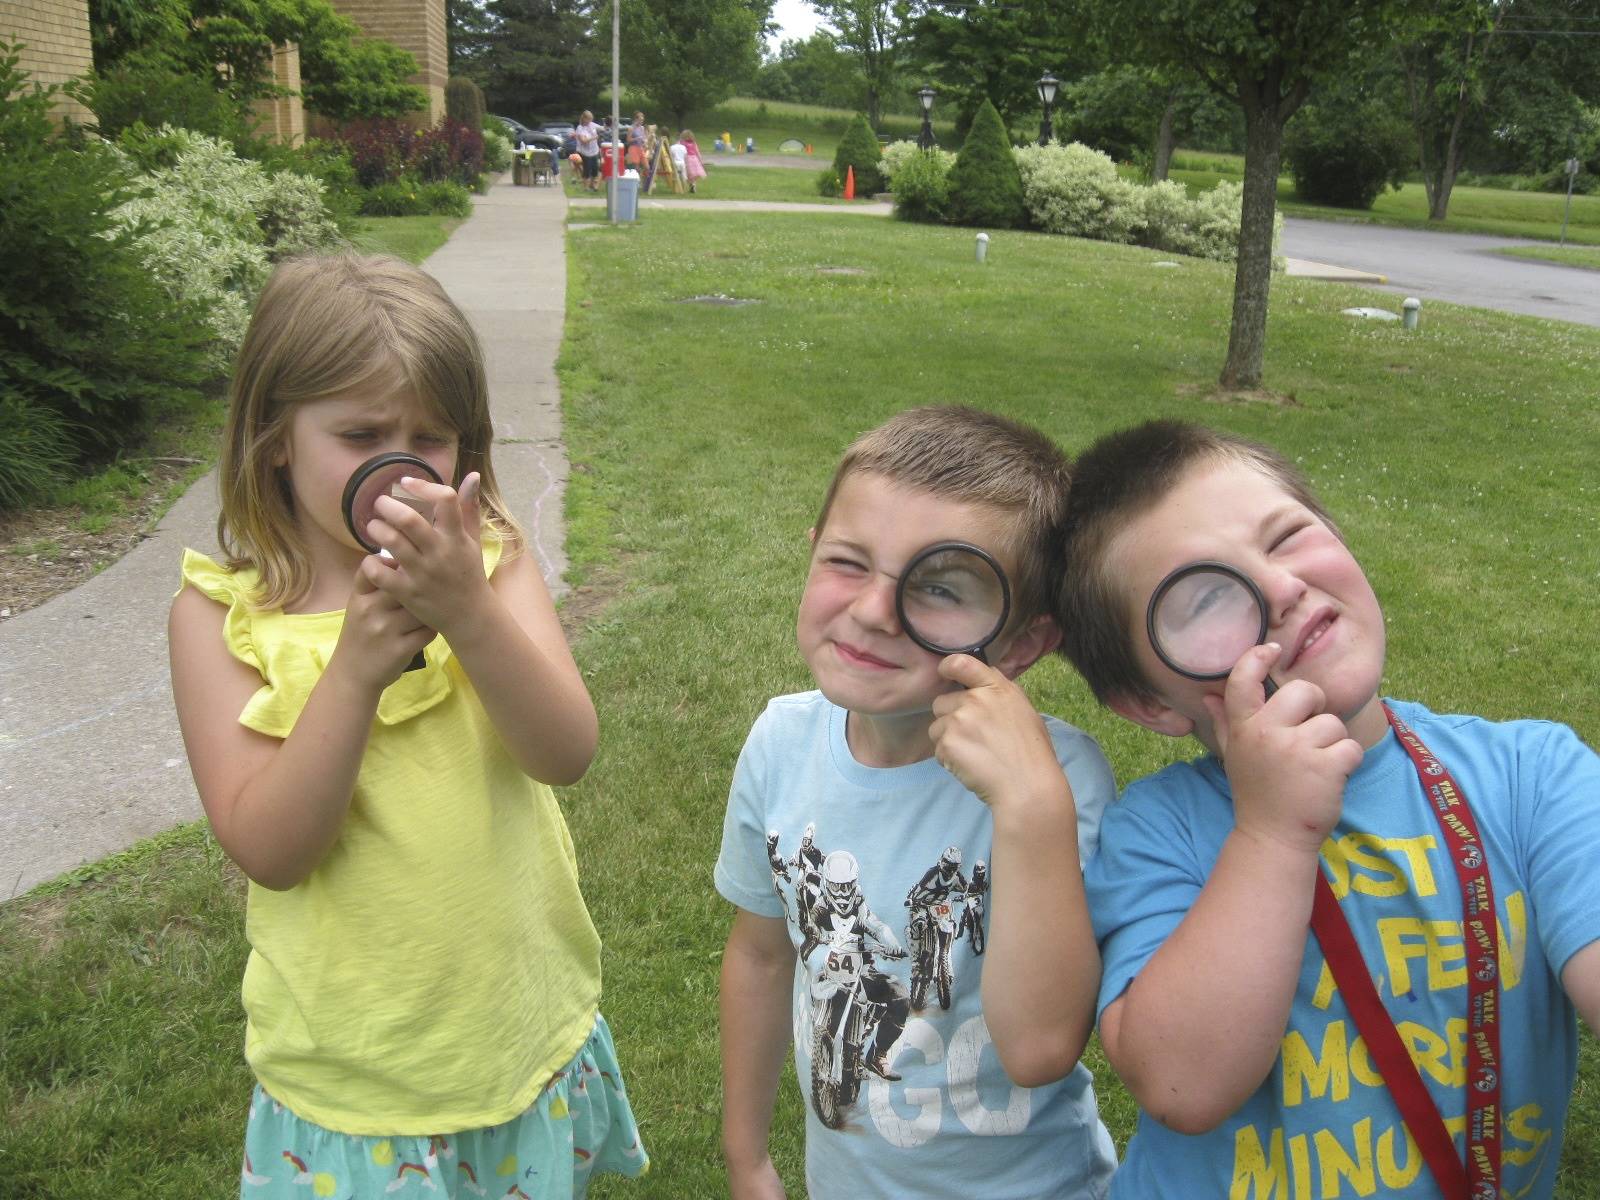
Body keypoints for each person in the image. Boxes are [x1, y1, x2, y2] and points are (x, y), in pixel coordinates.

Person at [169, 254, 649, 1198]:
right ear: (275, 438)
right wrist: (351, 670)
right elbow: (272, 848)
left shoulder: (491, 564)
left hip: (512, 1027)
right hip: (355, 1075)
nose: (399, 463)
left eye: (430, 438)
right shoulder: (221, 617)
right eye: (360, 434)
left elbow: (566, 751)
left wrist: (468, 613)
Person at [1057, 419, 1600, 1199]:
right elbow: (1183, 1086)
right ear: (1149, 701)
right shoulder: (1157, 830)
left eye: (1287, 538)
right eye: (1208, 596)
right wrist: (1273, 833)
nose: (1281, 590)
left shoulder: (1531, 778)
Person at [716, 405, 1118, 1200]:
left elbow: (1041, 1045)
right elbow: (762, 956)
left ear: (1022, 644)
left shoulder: (1054, 780)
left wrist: (1031, 809)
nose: (873, 611)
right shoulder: (779, 743)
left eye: (938, 588)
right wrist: (746, 1156)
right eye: (848, 562)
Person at [574, 109, 602, 192]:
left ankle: (593, 186)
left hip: (594, 151)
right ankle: (586, 187)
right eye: (589, 119)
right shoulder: (580, 128)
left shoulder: (592, 125)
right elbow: (583, 140)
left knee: (595, 169)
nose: (590, 121)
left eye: (591, 119)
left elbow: (602, 128)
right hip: (585, 153)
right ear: (584, 119)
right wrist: (595, 137)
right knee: (587, 170)